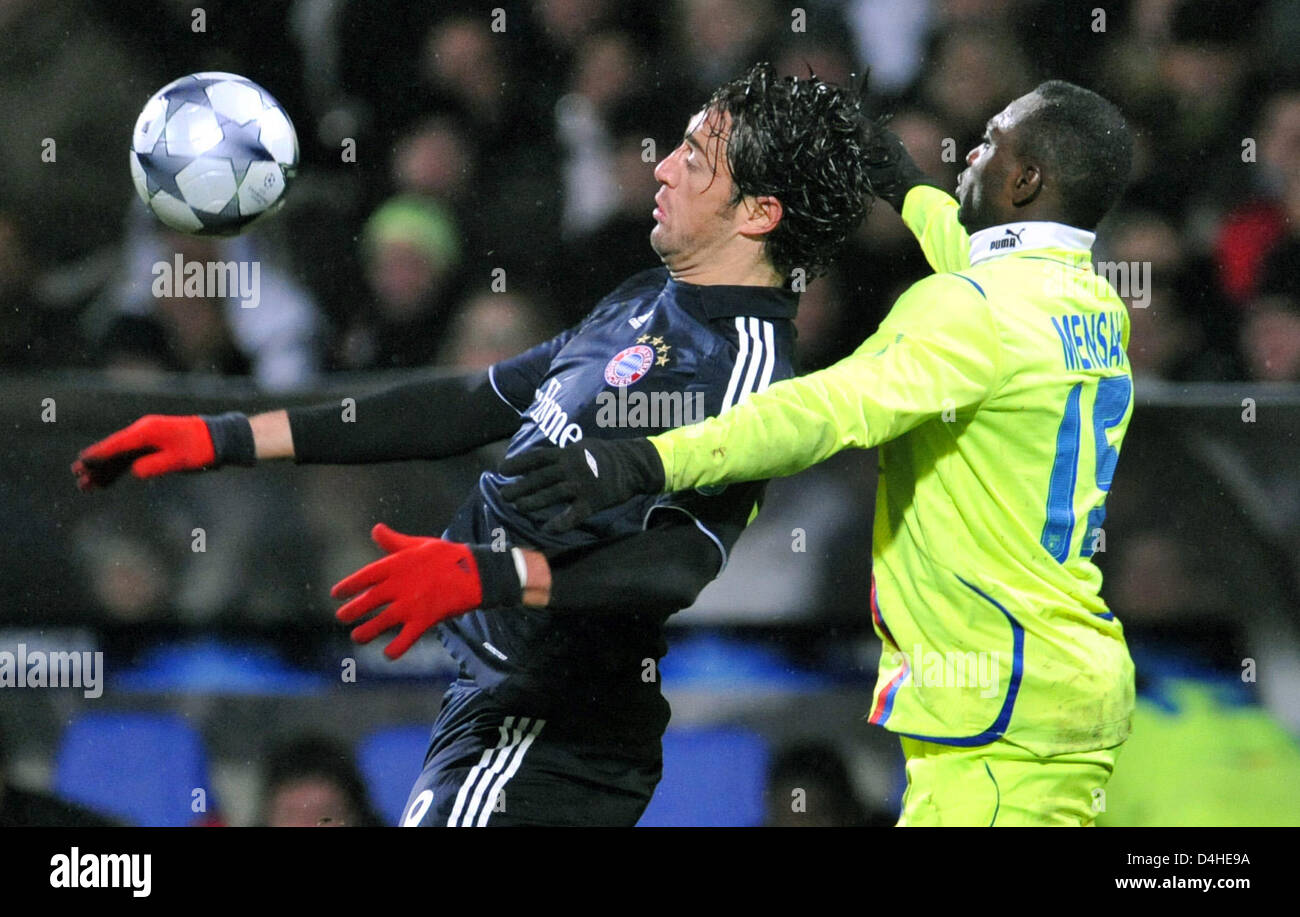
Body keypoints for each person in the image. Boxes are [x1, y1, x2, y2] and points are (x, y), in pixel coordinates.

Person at [71, 63, 878, 827]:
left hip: (555, 721)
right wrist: (228, 435)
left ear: (759, 213)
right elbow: (469, 402)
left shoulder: (746, 371)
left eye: (695, 158)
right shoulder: (647, 300)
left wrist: (484, 571)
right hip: (498, 694)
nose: (661, 167)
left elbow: (673, 562)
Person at [501, 81, 1139, 827]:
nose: (972, 150)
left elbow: (822, 411)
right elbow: (980, 264)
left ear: (1026, 179)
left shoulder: (968, 312)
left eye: (993, 141)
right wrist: (904, 187)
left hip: (997, 716)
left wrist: (647, 461)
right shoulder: (1090, 300)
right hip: (1048, 685)